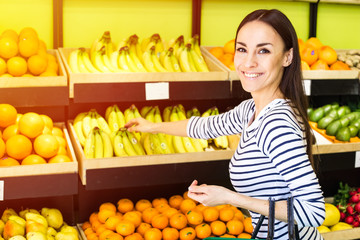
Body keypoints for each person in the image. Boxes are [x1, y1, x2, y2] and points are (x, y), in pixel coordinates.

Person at [125, 9, 325, 240]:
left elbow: (313, 212)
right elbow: (204, 126)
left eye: (264, 50)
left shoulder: (276, 125)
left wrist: (231, 198)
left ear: (287, 57)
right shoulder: (252, 109)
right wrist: (152, 127)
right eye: (242, 49)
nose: (248, 62)